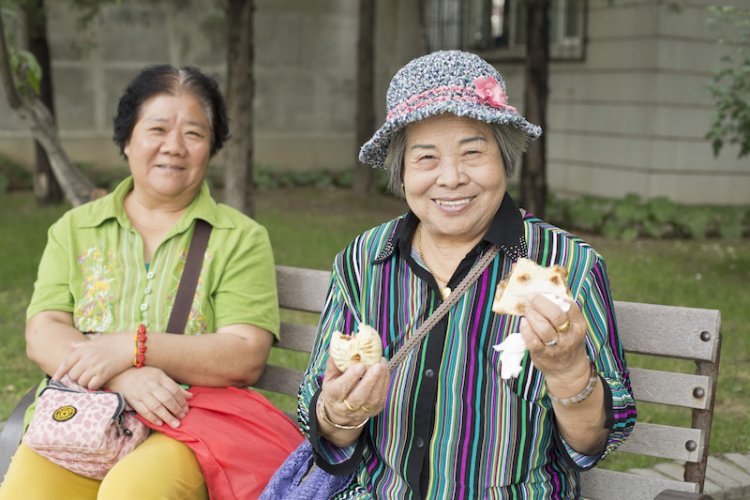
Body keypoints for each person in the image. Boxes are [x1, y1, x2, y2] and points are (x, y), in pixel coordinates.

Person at [297, 50, 636, 498]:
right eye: (426, 158)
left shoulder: (567, 264)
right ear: (402, 170)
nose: (452, 178)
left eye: (473, 151)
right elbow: (321, 420)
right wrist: (340, 413)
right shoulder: (364, 260)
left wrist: (568, 370)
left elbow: (592, 442)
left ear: (504, 159)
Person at [0, 65, 301, 499]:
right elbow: (44, 330)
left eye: (194, 134)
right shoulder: (76, 228)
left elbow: (244, 354)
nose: (174, 147)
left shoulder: (240, 238)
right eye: (158, 128)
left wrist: (131, 347)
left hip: (186, 425)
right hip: (83, 418)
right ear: (127, 139)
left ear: (211, 147)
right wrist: (121, 378)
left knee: (133, 491)